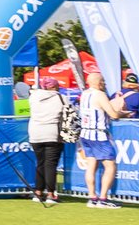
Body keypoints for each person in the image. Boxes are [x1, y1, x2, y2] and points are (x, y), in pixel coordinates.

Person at [77, 71, 123, 208]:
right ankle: (103, 198)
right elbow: (113, 114)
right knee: (110, 166)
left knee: (91, 165)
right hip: (99, 134)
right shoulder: (100, 95)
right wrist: (121, 111)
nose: (104, 84)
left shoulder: (84, 94)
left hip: (85, 133)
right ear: (99, 82)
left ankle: (92, 197)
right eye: (103, 81)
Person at [26, 65, 69, 205]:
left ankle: (38, 192)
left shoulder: (34, 97)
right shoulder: (61, 98)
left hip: (35, 133)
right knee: (51, 164)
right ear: (55, 87)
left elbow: (32, 91)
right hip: (52, 133)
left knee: (40, 163)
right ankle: (51, 194)